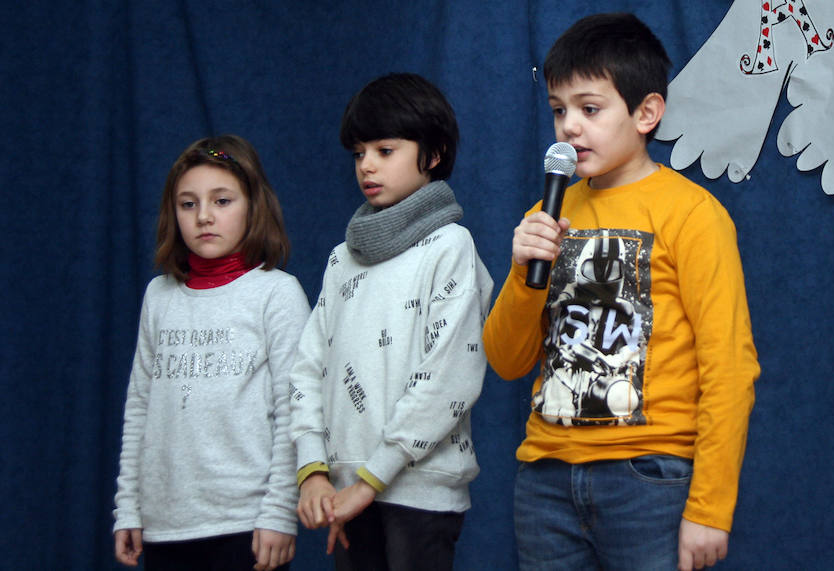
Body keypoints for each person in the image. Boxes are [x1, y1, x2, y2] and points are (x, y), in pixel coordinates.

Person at [482, 13, 760, 571]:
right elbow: (506, 361)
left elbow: (729, 366)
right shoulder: (546, 214)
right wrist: (522, 273)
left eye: (589, 108)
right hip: (546, 480)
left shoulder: (693, 215)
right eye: (559, 110)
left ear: (646, 113)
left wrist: (710, 507)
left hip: (648, 478)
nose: (569, 128)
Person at [289, 73, 493, 571]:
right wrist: (314, 472)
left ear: (435, 153)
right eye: (359, 153)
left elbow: (448, 379)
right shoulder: (343, 258)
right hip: (347, 492)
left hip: (420, 495)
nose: (367, 166)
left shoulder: (450, 248)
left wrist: (370, 479)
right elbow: (307, 368)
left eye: (385, 149)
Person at [112, 134, 310, 571]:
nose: (204, 216)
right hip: (165, 524)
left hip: (245, 524)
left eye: (222, 201)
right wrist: (129, 506)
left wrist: (279, 512)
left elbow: (294, 411)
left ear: (253, 206)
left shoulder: (276, 293)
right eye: (188, 204)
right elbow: (139, 408)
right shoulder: (159, 296)